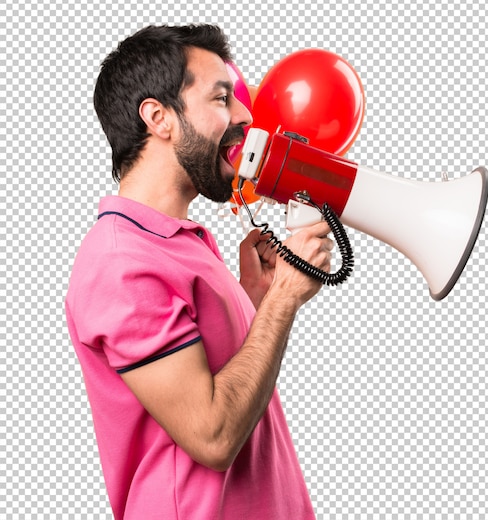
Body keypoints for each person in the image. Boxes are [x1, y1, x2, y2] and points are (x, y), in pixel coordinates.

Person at [65, 24, 333, 519]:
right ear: (158, 117)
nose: (244, 115)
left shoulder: (177, 242)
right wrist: (283, 300)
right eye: (221, 98)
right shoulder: (122, 263)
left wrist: (255, 302)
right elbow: (212, 435)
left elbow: (219, 378)